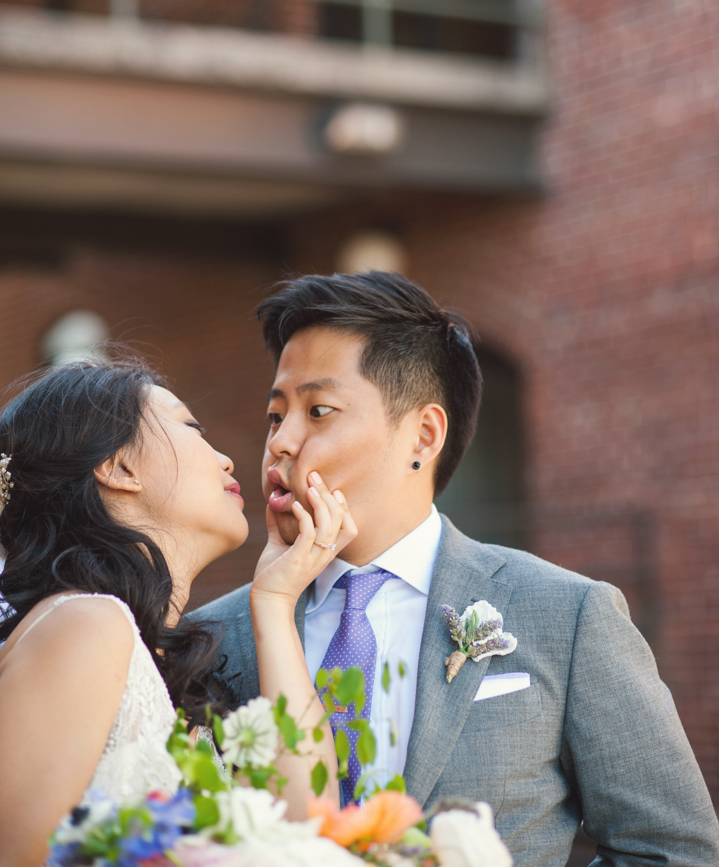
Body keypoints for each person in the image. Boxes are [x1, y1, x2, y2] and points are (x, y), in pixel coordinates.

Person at [197, 271, 719, 867]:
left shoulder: (566, 615)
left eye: (318, 411)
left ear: (424, 434)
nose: (282, 442)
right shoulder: (209, 639)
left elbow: (671, 850)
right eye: (274, 416)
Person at [0, 358, 355, 867]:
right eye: (192, 428)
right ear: (119, 467)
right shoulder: (83, 625)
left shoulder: (159, 658)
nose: (228, 459)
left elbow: (307, 826)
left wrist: (275, 603)